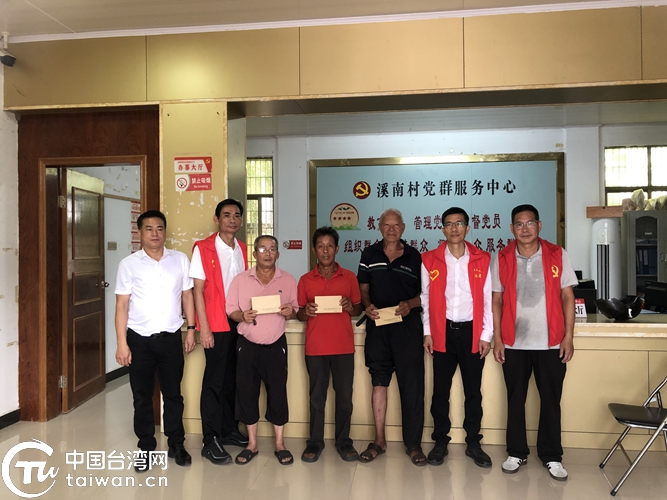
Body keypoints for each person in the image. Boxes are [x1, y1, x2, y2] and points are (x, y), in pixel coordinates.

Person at [492, 204, 577, 481]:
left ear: (539, 225)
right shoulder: (502, 257)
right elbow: (496, 300)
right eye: (519, 224)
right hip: (513, 343)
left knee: (551, 400)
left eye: (530, 223)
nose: (525, 228)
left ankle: (552, 456)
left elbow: (567, 296)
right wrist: (498, 338)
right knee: (515, 399)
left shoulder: (557, 254)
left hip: (551, 343)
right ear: (512, 228)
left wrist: (568, 336)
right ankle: (516, 452)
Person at [115, 210, 196, 472]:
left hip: (170, 338)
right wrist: (122, 344)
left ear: (165, 232)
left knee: (173, 394)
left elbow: (187, 296)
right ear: (140, 232)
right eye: (149, 229)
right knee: (142, 396)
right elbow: (121, 305)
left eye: (159, 228)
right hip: (139, 340)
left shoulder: (179, 259)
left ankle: (176, 444)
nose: (155, 233)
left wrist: (191, 329)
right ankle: (146, 447)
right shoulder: (129, 264)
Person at [421, 207, 493, 468]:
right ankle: (440, 442)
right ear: (442, 229)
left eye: (459, 223)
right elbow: (425, 298)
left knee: (473, 391)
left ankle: (474, 443)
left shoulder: (482, 259)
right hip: (442, 332)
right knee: (440, 392)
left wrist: (486, 334)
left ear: (467, 228)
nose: (454, 228)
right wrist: (428, 332)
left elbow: (488, 299)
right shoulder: (429, 260)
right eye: (449, 224)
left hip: (472, 333)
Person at [357, 208, 426, 466]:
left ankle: (413, 444)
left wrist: (410, 304)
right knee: (379, 382)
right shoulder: (369, 254)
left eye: (396, 225)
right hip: (378, 327)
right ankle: (379, 441)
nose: (391, 229)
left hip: (407, 328)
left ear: (403, 228)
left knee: (412, 386)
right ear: (379, 227)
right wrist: (367, 306)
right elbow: (363, 287)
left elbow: (426, 293)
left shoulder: (415, 256)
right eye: (387, 225)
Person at [226, 235, 299, 466]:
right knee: (247, 393)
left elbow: (295, 309)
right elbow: (231, 310)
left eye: (272, 249)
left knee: (277, 392)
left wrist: (290, 311)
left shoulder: (288, 279)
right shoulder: (240, 280)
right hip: (247, 345)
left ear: (278, 254)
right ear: (254, 253)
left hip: (276, 346)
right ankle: (252, 444)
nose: (268, 253)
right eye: (262, 249)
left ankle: (280, 443)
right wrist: (242, 315)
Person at [190, 199, 249, 465]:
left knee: (232, 378)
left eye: (237, 215)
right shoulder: (203, 248)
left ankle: (228, 429)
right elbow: (198, 291)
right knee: (214, 381)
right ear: (217, 219)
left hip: (238, 322)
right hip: (215, 323)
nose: (232, 220)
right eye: (226, 215)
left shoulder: (242, 248)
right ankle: (210, 438)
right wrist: (203, 329)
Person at [296, 226, 363, 463]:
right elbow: (299, 314)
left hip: (343, 347)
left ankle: (344, 442)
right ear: (315, 250)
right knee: (317, 398)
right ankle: (315, 442)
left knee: (344, 397)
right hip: (315, 348)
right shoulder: (305, 280)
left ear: (337, 249)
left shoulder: (350, 278)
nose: (325, 251)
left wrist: (350, 307)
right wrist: (306, 311)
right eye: (321, 246)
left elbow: (358, 308)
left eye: (330, 246)